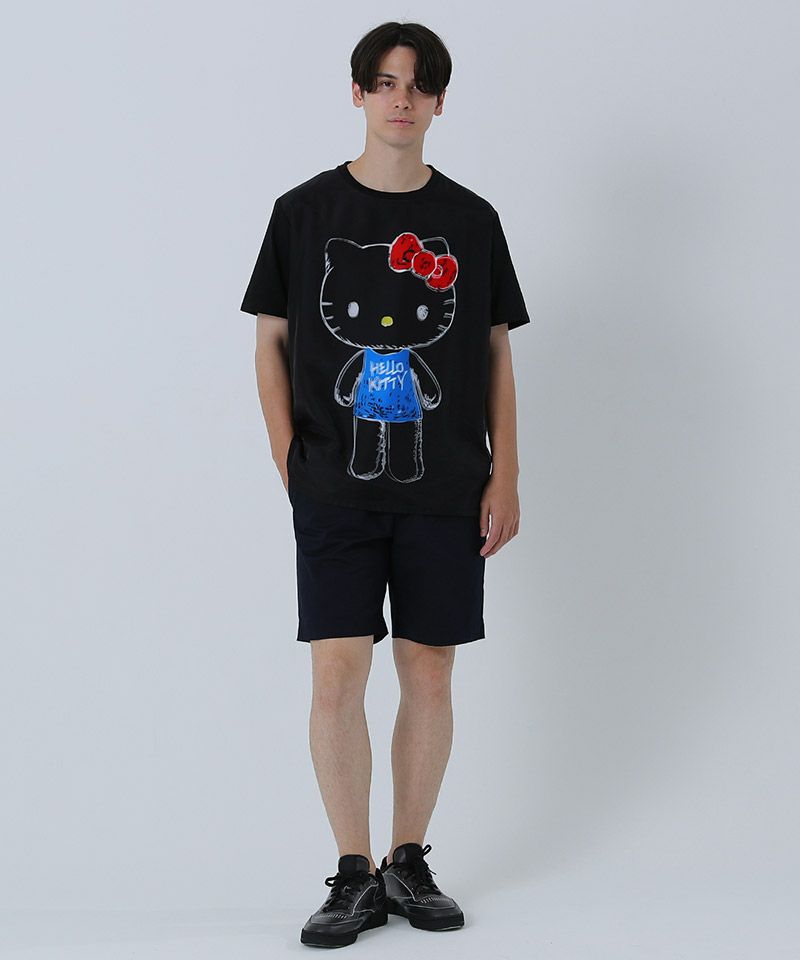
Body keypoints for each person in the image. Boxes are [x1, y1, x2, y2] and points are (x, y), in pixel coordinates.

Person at [240, 20, 531, 948]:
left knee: (429, 670)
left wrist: (506, 473)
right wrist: (290, 459)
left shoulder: (472, 220)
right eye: (385, 82)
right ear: (358, 93)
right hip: (333, 483)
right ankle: (353, 871)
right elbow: (271, 341)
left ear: (439, 101)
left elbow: (495, 352)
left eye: (418, 84)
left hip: (448, 486)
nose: (401, 99)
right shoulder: (304, 212)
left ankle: (409, 858)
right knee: (337, 668)